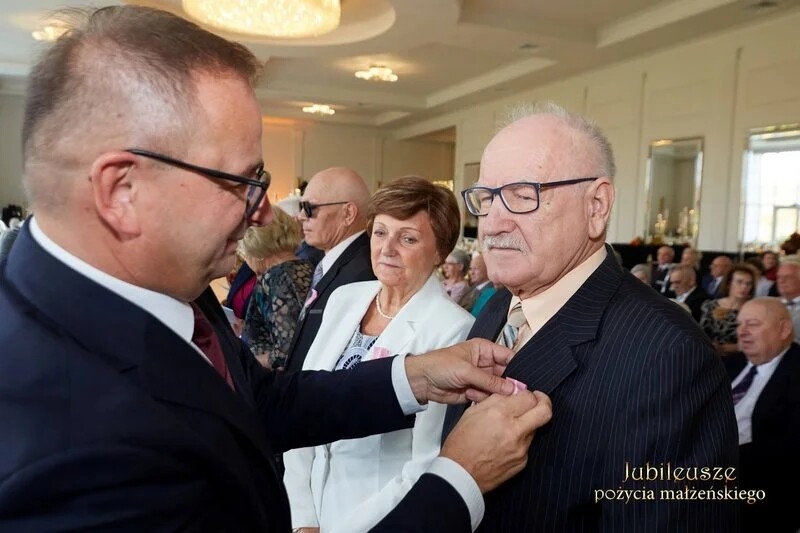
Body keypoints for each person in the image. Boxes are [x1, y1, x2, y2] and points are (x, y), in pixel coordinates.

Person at [0, 7, 554, 530]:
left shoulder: (169, 284)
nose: (266, 212)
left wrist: (416, 376)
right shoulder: (64, 445)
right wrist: (459, 478)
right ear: (122, 191)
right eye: (242, 182)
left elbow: (258, 403)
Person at [438, 102, 738, 531]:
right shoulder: (498, 308)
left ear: (596, 205)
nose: (492, 224)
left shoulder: (671, 357)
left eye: (523, 195)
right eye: (486, 198)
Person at [284, 176, 476, 532]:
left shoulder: (453, 329)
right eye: (380, 233)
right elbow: (304, 405)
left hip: (379, 521)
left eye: (408, 238)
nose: (387, 248)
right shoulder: (345, 299)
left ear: (440, 251)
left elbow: (426, 461)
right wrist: (303, 518)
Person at [284, 167, 376, 374]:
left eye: (309, 208)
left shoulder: (363, 272)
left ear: (348, 214)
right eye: (301, 207)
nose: (300, 216)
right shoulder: (328, 258)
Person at [728, 297, 800, 533]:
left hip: (756, 484)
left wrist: (717, 461)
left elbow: (789, 447)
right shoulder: (731, 364)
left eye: (753, 324)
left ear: (784, 329)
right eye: (739, 324)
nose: (742, 332)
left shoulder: (796, 371)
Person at [238, 207, 312, 369]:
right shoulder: (308, 267)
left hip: (277, 378)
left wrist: (247, 363)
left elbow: (285, 354)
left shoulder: (275, 278)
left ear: (256, 252)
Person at [699, 263, 756, 355]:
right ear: (729, 283)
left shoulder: (754, 310)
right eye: (739, 282)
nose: (744, 287)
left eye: (748, 283)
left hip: (740, 357)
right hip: (708, 354)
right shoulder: (710, 305)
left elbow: (756, 339)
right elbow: (701, 333)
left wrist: (734, 347)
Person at [462, 252, 497, 317]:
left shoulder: (492, 292)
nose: (471, 273)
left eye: (475, 269)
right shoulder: (472, 288)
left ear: (487, 269)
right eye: (470, 269)